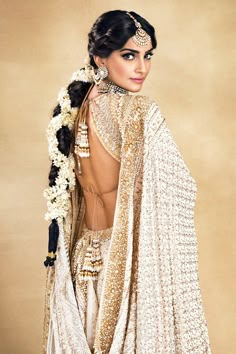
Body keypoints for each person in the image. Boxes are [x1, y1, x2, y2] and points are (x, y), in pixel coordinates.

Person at [43, 10, 212, 354]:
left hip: (82, 263)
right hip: (125, 271)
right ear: (99, 57)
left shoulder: (72, 110)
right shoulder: (137, 112)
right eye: (129, 55)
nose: (142, 68)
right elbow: (180, 188)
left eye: (147, 56)